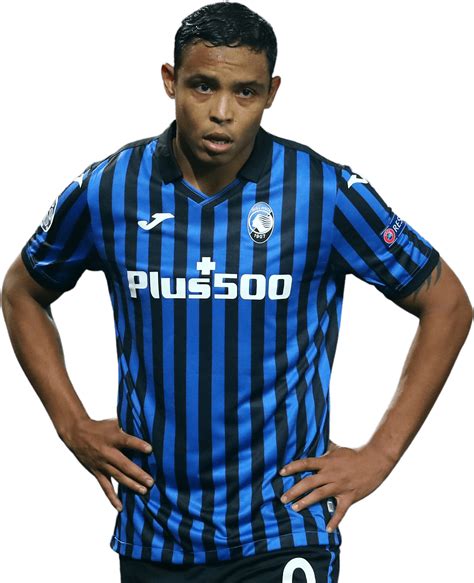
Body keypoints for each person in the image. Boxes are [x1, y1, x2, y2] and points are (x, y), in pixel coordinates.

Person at [2, 2, 472, 582]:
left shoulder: (323, 193)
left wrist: (381, 455)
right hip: (154, 531)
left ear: (271, 93)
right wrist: (71, 424)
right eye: (203, 85)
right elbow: (22, 291)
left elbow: (447, 303)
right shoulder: (109, 189)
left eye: (245, 92)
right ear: (170, 81)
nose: (222, 112)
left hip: (281, 527)